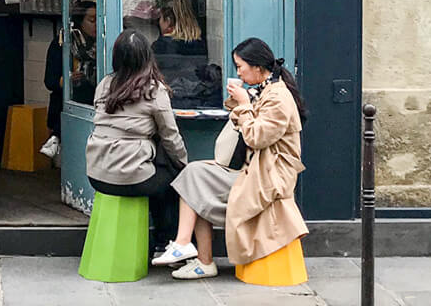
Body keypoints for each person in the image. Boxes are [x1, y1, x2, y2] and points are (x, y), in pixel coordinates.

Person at [153, 37, 308, 280]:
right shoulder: (265, 90)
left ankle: (194, 252)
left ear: (257, 67)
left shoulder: (279, 97)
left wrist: (245, 105)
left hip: (268, 176)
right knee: (195, 176)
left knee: (195, 177)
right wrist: (240, 102)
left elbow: (257, 137)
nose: (238, 72)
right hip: (252, 167)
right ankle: (193, 252)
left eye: (240, 66)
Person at [85, 29, 188, 252]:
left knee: (153, 172)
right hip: (131, 178)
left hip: (96, 175)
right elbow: (170, 136)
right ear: (146, 57)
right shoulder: (154, 89)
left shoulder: (105, 83)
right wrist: (184, 165)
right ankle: (167, 242)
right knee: (172, 182)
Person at [40, 0, 97, 157]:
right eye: (91, 21)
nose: (96, 25)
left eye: (98, 20)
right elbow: (49, 81)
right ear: (80, 21)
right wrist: (68, 79)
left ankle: (56, 138)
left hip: (95, 97)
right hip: (70, 97)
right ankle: (56, 136)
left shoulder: (101, 44)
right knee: (77, 92)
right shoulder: (63, 43)